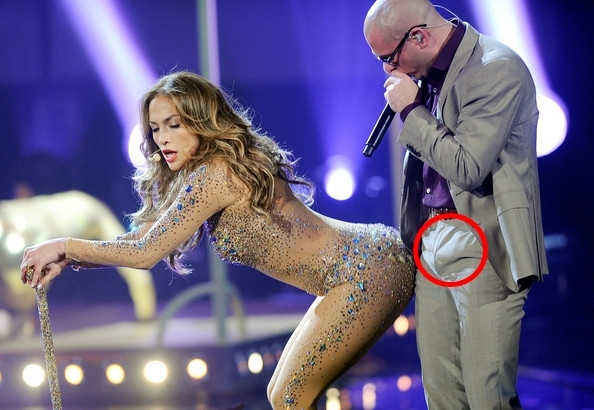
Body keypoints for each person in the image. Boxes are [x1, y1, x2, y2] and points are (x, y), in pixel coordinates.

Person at [20, 71, 416, 409]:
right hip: (357, 268)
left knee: (290, 395)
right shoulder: (204, 172)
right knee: (281, 394)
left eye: (174, 125)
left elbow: (144, 253)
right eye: (155, 128)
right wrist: (68, 257)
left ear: (201, 121)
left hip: (365, 270)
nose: (162, 139)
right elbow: (144, 238)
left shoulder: (216, 173)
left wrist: (65, 245)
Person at [363, 1, 548, 409]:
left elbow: (467, 167)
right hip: (432, 242)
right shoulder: (427, 76)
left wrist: (411, 110)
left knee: (487, 395)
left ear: (418, 36)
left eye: (388, 57)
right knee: (443, 394)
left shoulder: (495, 68)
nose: (388, 69)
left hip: (484, 242)